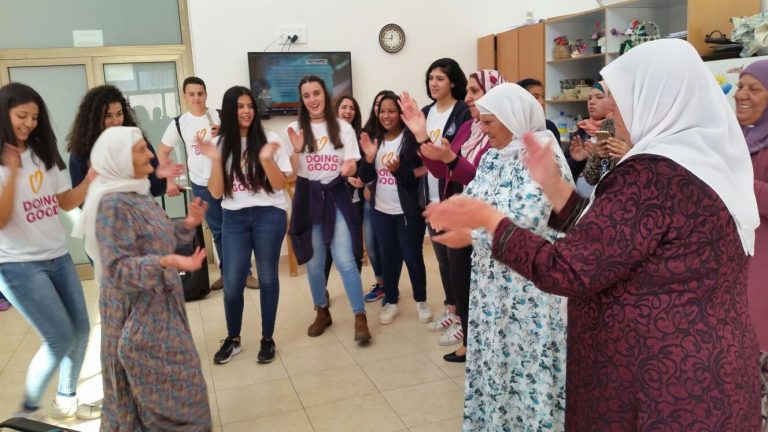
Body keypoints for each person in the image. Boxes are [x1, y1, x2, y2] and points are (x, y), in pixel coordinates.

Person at [425, 39, 761, 430]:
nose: (610, 110)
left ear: (655, 98)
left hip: (660, 380)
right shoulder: (703, 161)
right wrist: (557, 190)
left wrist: (490, 223)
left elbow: (568, 269)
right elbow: (613, 237)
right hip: (710, 365)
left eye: (619, 97)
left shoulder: (651, 174)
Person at [75, 126, 210, 430]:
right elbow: (117, 270)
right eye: (140, 149)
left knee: (181, 394)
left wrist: (188, 225)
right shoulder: (112, 204)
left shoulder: (137, 192)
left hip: (159, 309)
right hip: (135, 315)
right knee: (157, 402)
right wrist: (165, 262)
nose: (151, 154)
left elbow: (157, 239)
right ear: (119, 158)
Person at [0, 82, 99, 420]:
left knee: (81, 330)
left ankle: (66, 400)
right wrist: (12, 173)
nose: (29, 123)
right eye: (21, 116)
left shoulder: (42, 153)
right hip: (17, 265)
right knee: (58, 337)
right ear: (4, 114)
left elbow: (64, 202)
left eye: (34, 117)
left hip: (57, 256)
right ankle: (27, 413)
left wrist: (89, 180)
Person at [399, 69, 506, 360]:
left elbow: (480, 176)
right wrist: (421, 135)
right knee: (460, 281)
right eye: (468, 91)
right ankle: (469, 341)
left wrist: (451, 159)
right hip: (460, 215)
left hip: (484, 219)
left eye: (475, 91)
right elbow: (441, 170)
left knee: (479, 285)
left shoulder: (502, 131)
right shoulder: (469, 127)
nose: (468, 98)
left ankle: (476, 344)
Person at [199, 86, 292, 365]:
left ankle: (267, 338)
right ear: (230, 110)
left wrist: (265, 159)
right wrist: (217, 160)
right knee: (232, 282)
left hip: (269, 215)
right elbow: (216, 193)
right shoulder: (220, 144)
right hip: (234, 218)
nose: (247, 111)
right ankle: (233, 338)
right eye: (240, 106)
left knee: (268, 278)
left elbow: (280, 184)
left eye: (250, 106)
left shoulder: (270, 138)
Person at [287, 75, 371, 344]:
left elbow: (353, 163)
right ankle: (321, 311)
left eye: (316, 93)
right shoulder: (294, 128)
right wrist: (297, 150)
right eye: (307, 95)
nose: (312, 99)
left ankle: (360, 315)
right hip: (308, 197)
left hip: (336, 195)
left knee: (345, 260)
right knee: (314, 262)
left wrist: (349, 168)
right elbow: (291, 172)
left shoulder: (343, 127)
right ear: (302, 100)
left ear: (325, 94)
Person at [158, 76, 258, 291]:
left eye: (200, 93)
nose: (196, 98)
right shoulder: (179, 123)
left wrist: (224, 132)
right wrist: (169, 180)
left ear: (206, 94)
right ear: (185, 96)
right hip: (201, 185)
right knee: (219, 231)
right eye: (191, 94)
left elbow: (245, 135)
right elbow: (162, 152)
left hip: (229, 180)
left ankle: (246, 273)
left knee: (239, 227)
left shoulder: (221, 115)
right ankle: (227, 274)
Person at [358, 93, 427, 325]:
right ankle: (391, 301)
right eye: (382, 111)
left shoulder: (410, 140)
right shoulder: (376, 140)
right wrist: (369, 159)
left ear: (400, 113)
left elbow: (415, 179)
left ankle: (421, 301)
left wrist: (398, 170)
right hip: (381, 211)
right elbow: (365, 177)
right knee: (388, 258)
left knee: (412, 257)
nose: (386, 116)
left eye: (391, 111)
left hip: (407, 212)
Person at [419, 58, 472, 325]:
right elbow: (416, 151)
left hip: (453, 194)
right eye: (431, 78)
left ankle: (463, 314)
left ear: (453, 82)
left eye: (440, 78)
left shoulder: (462, 111)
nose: (434, 83)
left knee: (457, 258)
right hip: (430, 194)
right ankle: (451, 307)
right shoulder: (425, 112)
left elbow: (459, 155)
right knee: (441, 257)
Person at [734, 59, 768, 430]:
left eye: (754, 88)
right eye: (740, 86)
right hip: (736, 276)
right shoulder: (737, 140)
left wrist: (738, 180)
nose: (742, 94)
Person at [67, 84, 166, 197]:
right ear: (93, 119)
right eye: (108, 116)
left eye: (119, 114)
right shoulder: (81, 153)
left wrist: (161, 175)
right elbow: (80, 200)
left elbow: (156, 189)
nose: (116, 121)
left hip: (139, 206)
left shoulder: (136, 142)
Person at [323, 95, 364, 295]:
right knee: (326, 249)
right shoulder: (325, 136)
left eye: (352, 108)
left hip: (353, 201)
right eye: (344, 107)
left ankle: (354, 289)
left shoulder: (360, 137)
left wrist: (362, 179)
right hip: (329, 202)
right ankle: (322, 291)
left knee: (355, 248)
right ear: (335, 110)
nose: (348, 111)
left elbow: (366, 167)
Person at [361, 90, 396, 302]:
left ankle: (391, 287)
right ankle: (382, 283)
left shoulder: (398, 135)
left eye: (388, 109)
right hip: (369, 199)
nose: (381, 112)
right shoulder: (367, 133)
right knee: (371, 244)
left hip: (389, 199)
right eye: (378, 106)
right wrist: (365, 184)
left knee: (389, 247)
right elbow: (363, 167)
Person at [516, 77, 561, 143]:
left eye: (543, 97)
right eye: (536, 97)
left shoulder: (549, 126)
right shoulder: (509, 129)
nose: (542, 102)